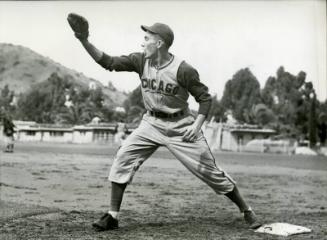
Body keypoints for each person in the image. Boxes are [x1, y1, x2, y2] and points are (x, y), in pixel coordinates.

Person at [67, 14, 261, 231]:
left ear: (159, 43)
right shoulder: (141, 60)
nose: (143, 42)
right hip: (151, 123)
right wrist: (84, 40)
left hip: (181, 126)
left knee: (210, 172)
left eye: (147, 38)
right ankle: (112, 216)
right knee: (123, 158)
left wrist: (196, 126)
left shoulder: (183, 69)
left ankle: (246, 210)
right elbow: (108, 62)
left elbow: (205, 98)